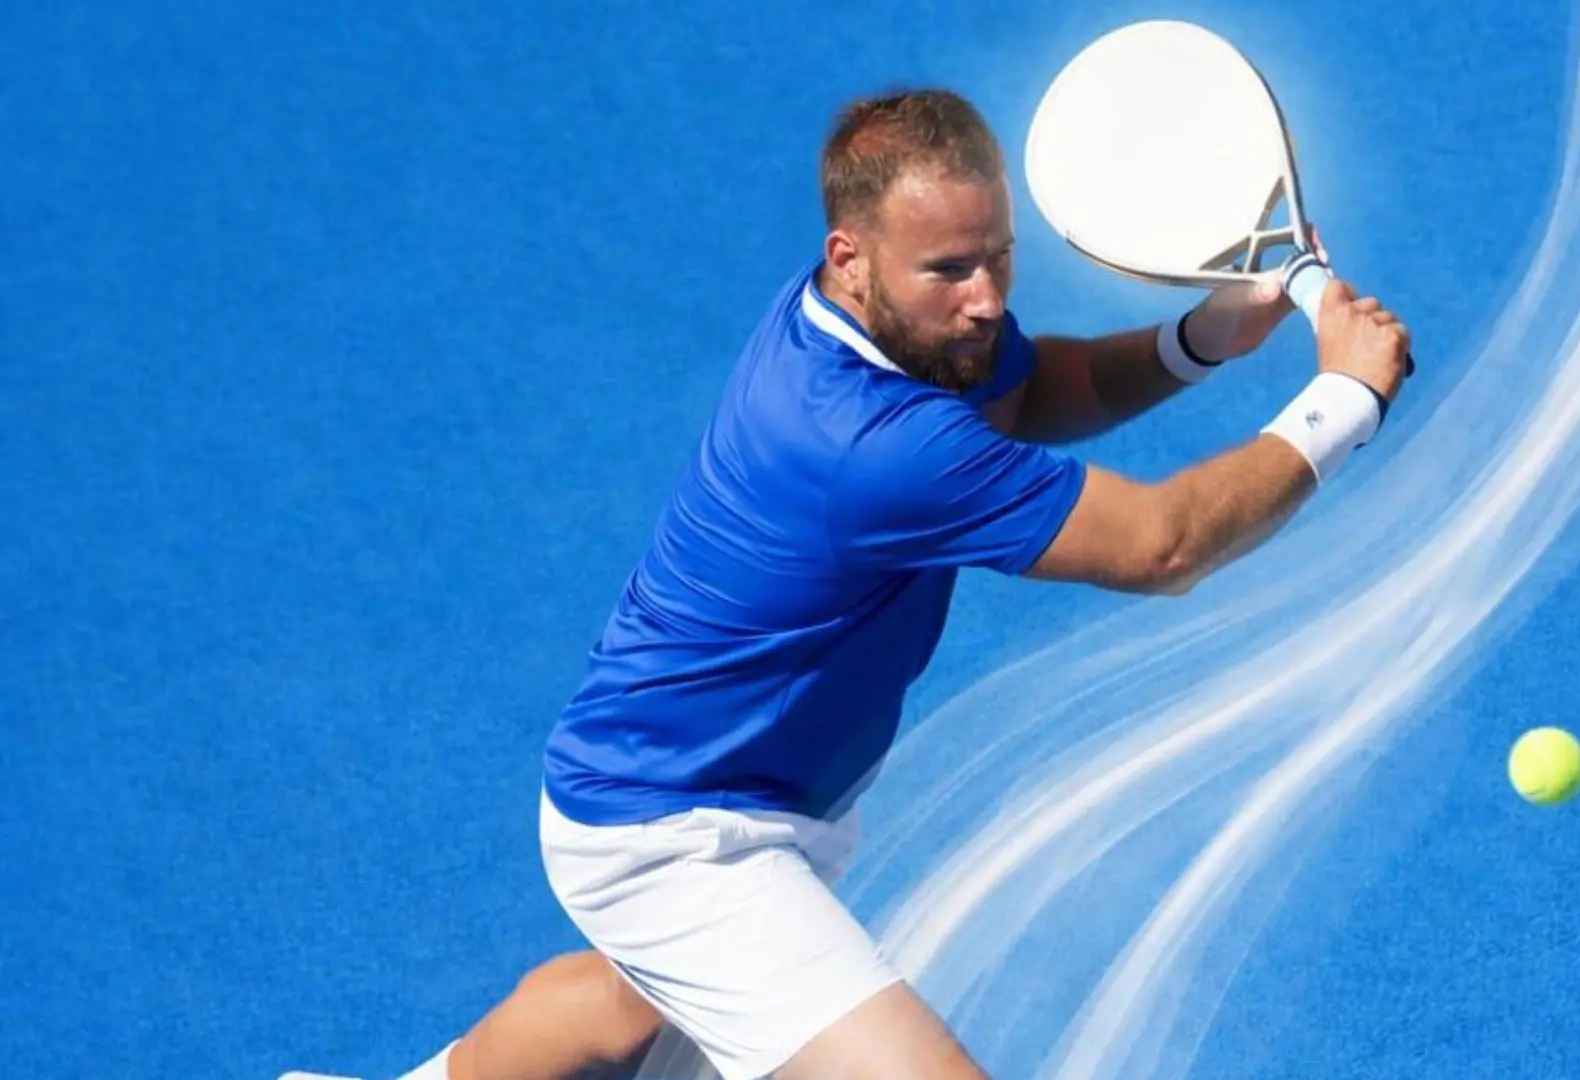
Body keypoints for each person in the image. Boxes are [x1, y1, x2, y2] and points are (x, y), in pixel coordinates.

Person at [282, 85, 1411, 1080]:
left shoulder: (895, 329)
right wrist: (1343, 400)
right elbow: (1163, 545)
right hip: (675, 831)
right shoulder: (869, 444)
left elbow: (1028, 387)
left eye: (998, 256)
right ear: (849, 254)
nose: (984, 297)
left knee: (627, 1014)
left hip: (713, 785)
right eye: (952, 270)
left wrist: (1200, 338)